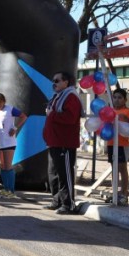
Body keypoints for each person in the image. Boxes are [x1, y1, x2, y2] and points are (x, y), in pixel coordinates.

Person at [43, 71, 83, 214]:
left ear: (66, 82)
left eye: (57, 80)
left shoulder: (71, 97)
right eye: (53, 80)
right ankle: (56, 201)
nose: (54, 83)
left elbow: (70, 118)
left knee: (64, 174)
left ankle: (68, 204)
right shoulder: (57, 97)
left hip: (64, 143)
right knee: (53, 173)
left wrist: (51, 114)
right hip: (54, 141)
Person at [0, 93, 26, 197]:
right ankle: (5, 188)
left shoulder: (10, 109)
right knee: (2, 166)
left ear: (4, 101)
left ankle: (11, 190)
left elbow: (23, 116)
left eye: (0, 101)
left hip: (9, 142)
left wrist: (15, 128)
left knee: (8, 166)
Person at [106, 88, 129, 204]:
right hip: (111, 143)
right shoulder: (110, 110)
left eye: (120, 98)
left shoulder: (127, 111)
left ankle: (124, 192)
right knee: (114, 169)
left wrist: (126, 119)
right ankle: (115, 192)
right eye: (115, 97)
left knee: (122, 168)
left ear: (125, 100)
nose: (117, 100)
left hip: (122, 144)